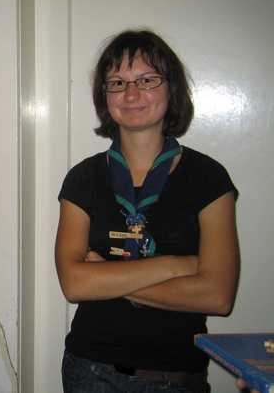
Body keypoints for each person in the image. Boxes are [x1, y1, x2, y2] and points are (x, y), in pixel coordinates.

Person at [55, 29, 240, 393]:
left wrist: (107, 278)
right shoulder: (83, 178)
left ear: (171, 89)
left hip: (176, 376)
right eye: (117, 82)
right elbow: (75, 284)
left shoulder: (209, 178)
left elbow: (218, 296)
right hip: (90, 371)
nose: (131, 93)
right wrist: (177, 266)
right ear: (104, 96)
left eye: (147, 79)